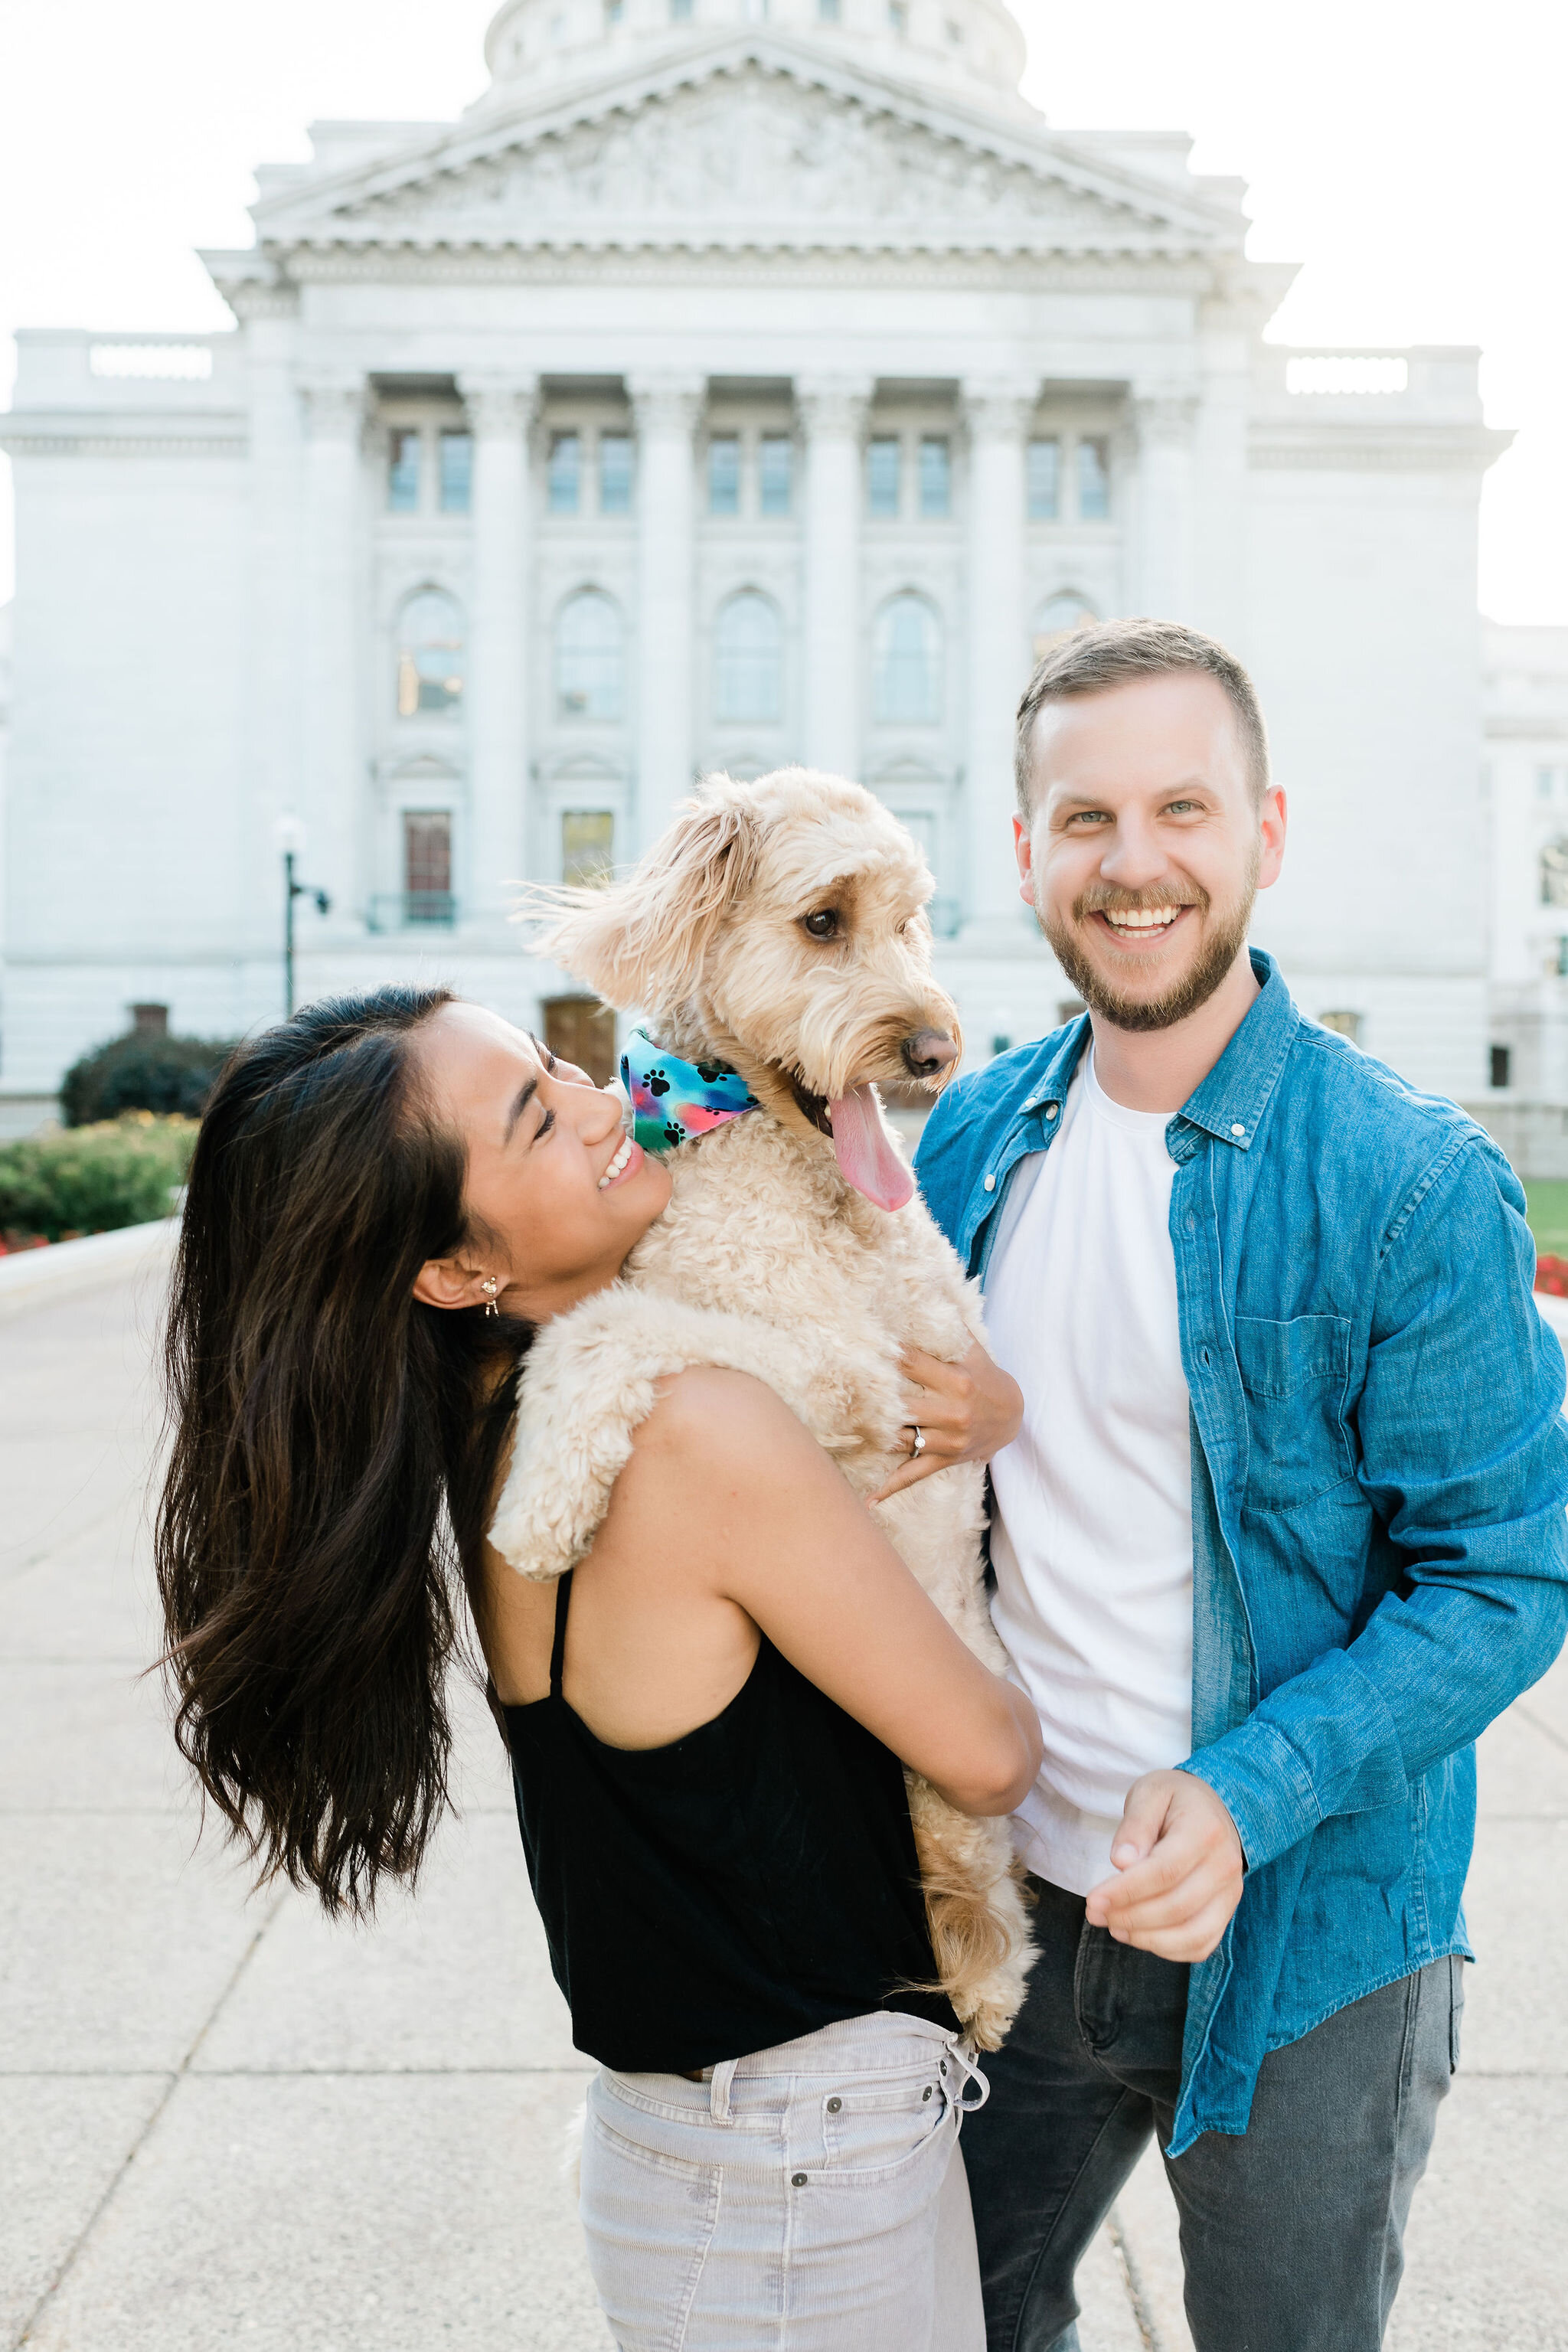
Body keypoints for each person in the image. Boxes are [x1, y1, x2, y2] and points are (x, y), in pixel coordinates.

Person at [155, 985, 1040, 2352]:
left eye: (559, 1065)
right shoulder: (686, 1427)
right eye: (533, 1118)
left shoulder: (506, 1425)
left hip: (732, 2153)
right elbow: (990, 1753)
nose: (599, 1098)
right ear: (451, 1272)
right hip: (793, 2172)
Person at [913, 619, 1568, 2352]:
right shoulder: (967, 1145)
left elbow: (1504, 1578)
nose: (1135, 866)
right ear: (1026, 853)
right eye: (1087, 821)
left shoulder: (1411, 1182)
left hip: (1313, 1934)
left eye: (1184, 810)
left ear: (1264, 833)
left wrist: (1246, 1788)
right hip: (1018, 1914)